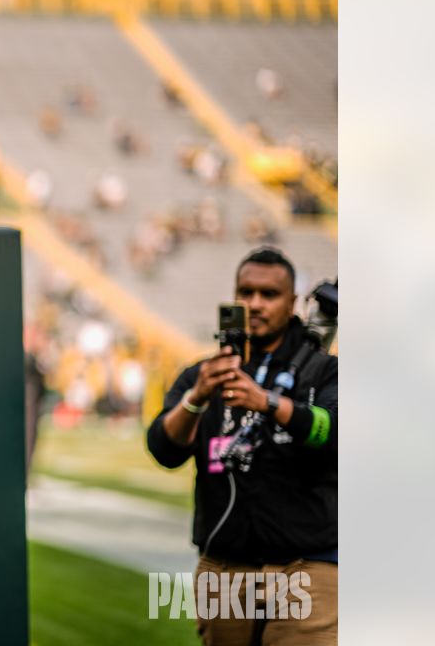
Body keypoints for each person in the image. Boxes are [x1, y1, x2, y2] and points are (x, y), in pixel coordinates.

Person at [147, 247, 337, 645]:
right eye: (245, 293)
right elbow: (164, 449)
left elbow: (333, 432)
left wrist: (268, 402)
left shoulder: (323, 371)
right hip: (225, 566)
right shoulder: (204, 372)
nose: (255, 304)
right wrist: (197, 396)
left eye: (269, 295)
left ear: (293, 303)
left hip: (305, 565)